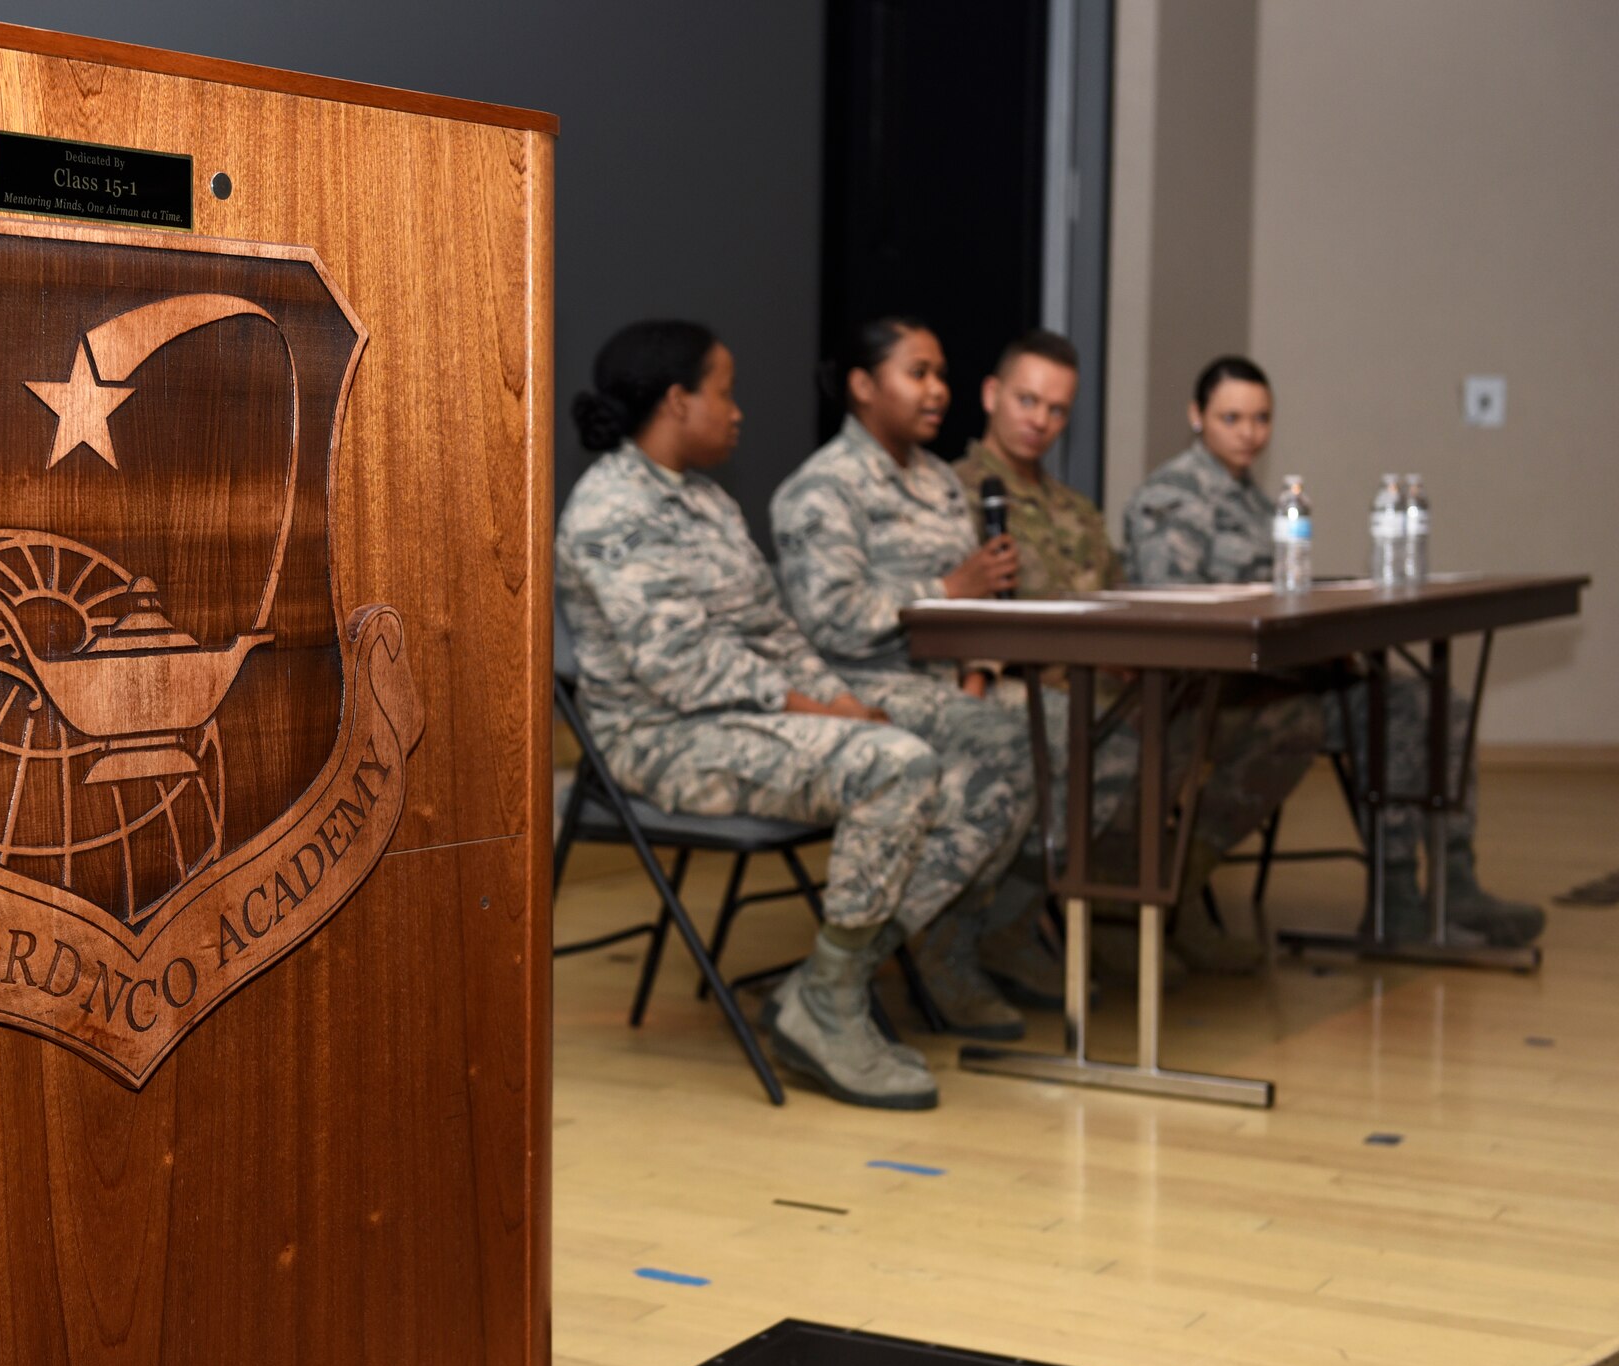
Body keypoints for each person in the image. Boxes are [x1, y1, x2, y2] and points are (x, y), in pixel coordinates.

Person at [554, 320, 1031, 1111]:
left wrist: (842, 700)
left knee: (966, 746)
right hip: (658, 738)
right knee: (896, 764)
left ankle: (837, 979)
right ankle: (830, 1001)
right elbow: (682, 665)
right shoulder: (610, 509)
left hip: (739, 716)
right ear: (677, 401)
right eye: (725, 391)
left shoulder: (707, 499)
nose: (738, 410)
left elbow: (775, 632)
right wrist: (822, 708)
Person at [771, 316, 1139, 1020]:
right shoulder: (820, 488)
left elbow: (983, 603)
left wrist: (978, 669)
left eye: (940, 374)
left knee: (1104, 739)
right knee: (1012, 744)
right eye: (918, 373)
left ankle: (997, 925)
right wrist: (944, 590)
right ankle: (900, 957)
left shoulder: (939, 481)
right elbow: (831, 621)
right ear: (862, 386)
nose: (938, 390)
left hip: (949, 682)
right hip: (862, 686)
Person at [1123, 356, 1543, 947]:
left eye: (1262, 418)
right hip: (1218, 695)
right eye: (1231, 418)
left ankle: (1447, 884)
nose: (1249, 433)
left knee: (1433, 706)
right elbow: (1177, 616)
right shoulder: (1172, 496)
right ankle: (1394, 897)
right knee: (1367, 714)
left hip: (1277, 680)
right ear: (1197, 416)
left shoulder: (1256, 501)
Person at [951, 331, 1326, 974]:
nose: (1041, 421)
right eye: (1027, 401)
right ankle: (1098, 912)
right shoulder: (953, 495)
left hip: (1116, 682)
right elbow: (962, 622)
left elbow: (1122, 600)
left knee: (1285, 719)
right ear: (991, 395)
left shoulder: (1075, 509)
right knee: (1147, 734)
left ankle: (1173, 887)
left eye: (1057, 409)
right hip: (1038, 688)